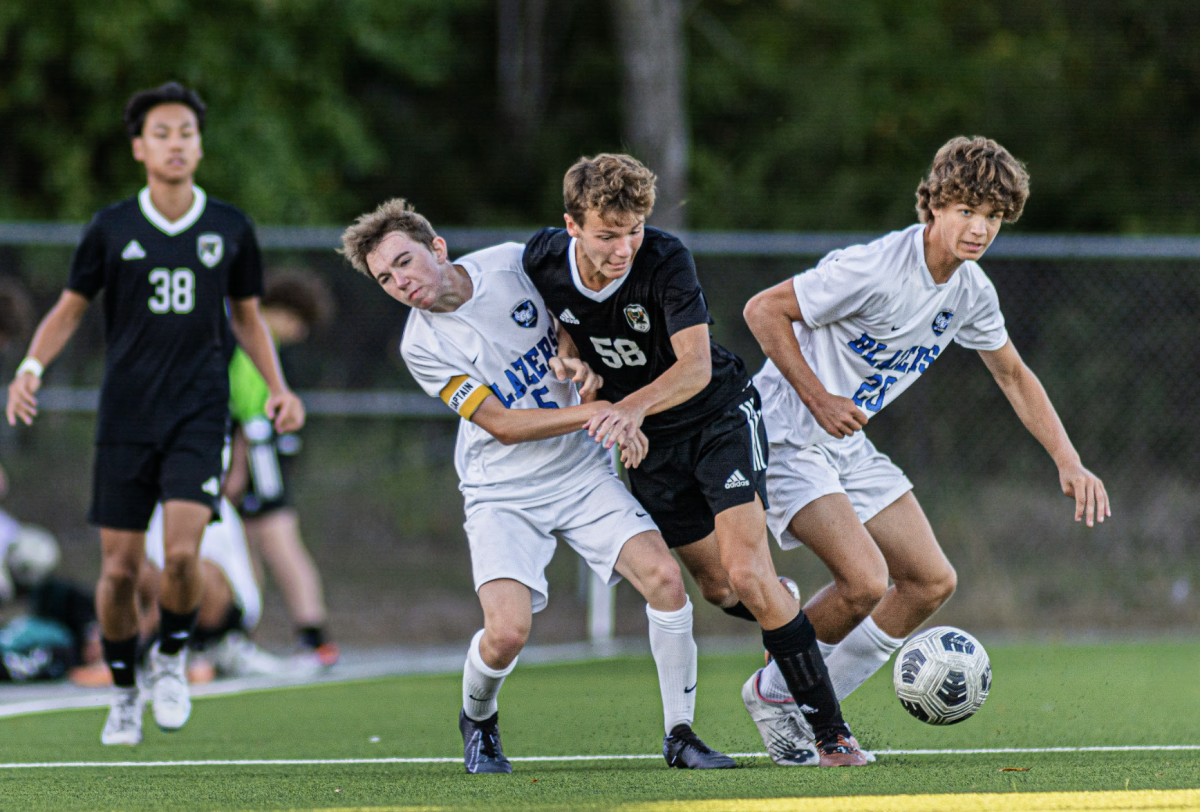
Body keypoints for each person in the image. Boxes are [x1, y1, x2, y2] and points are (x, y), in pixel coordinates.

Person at [741, 136, 1110, 760]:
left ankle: (789, 694)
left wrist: (1068, 460)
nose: (980, 228)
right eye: (967, 209)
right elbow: (762, 310)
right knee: (863, 580)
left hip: (845, 442)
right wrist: (819, 399)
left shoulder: (970, 290)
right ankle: (788, 700)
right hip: (785, 433)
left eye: (993, 216)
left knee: (930, 581)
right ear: (934, 204)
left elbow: (1013, 375)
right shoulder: (877, 267)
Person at [340, 199, 736, 773]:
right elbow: (501, 425)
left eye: (406, 261)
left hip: (578, 472)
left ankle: (680, 734)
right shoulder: (421, 346)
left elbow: (570, 320)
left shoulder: (510, 263)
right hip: (502, 492)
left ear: (438, 248)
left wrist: (578, 363)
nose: (402, 282)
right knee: (507, 634)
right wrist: (604, 415)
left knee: (666, 579)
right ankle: (478, 717)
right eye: (385, 277)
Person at [522, 154, 864, 767]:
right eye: (607, 234)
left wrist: (626, 410)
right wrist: (578, 370)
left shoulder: (665, 258)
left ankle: (831, 733)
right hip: (651, 445)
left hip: (717, 419)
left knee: (749, 575)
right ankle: (776, 605)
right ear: (571, 225)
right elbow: (568, 327)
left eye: (634, 230)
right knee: (718, 587)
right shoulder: (541, 259)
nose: (624, 247)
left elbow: (696, 366)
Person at [4, 82, 304, 745]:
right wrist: (30, 369)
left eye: (186, 133)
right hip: (126, 419)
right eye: (162, 133)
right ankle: (122, 689)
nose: (176, 144)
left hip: (200, 415)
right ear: (140, 147)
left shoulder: (230, 227)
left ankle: (170, 658)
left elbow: (250, 320)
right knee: (116, 570)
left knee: (180, 557)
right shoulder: (112, 227)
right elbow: (68, 309)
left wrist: (279, 387)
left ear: (199, 145)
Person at [223, 270, 338, 666]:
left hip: (260, 456)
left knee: (276, 540)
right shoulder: (250, 338)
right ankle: (242, 635)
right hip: (257, 454)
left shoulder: (255, 343)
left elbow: (250, 415)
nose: (300, 333)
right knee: (251, 545)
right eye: (299, 322)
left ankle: (312, 637)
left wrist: (237, 469)